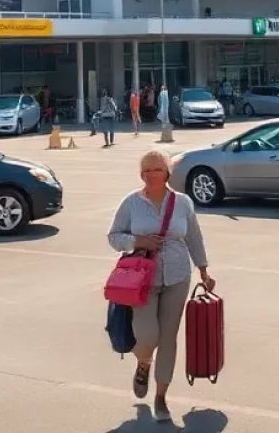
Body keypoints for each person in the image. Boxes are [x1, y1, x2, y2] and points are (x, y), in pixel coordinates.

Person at [108, 150, 215, 424]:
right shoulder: (131, 203)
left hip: (178, 275)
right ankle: (143, 362)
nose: (150, 174)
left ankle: (161, 397)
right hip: (142, 280)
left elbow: (194, 237)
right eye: (145, 170)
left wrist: (203, 268)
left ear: (167, 172)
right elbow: (114, 237)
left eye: (156, 169)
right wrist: (138, 241)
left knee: (168, 338)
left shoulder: (182, 203)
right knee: (147, 335)